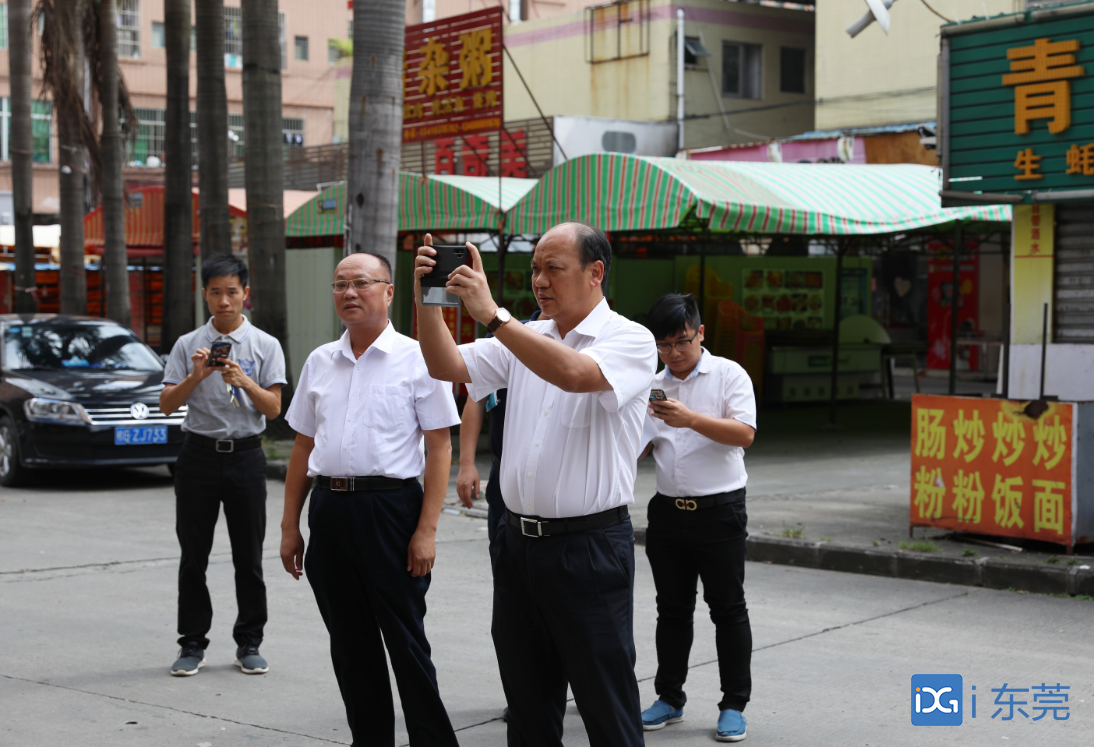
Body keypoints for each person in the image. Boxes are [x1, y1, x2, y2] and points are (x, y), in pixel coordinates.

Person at [415, 223, 656, 747]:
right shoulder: (526, 335)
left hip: (589, 548)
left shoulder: (631, 339)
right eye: (534, 270)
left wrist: (494, 316)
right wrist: (429, 300)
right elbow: (444, 364)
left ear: (595, 274)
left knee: (605, 702)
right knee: (527, 703)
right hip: (519, 545)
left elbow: (574, 374)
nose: (539, 281)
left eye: (553, 269)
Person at [279, 252, 461, 747]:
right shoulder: (320, 361)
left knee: (405, 642)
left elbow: (440, 445)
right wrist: (290, 525)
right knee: (350, 644)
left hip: (391, 511)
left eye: (361, 283)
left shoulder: (421, 356)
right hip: (331, 511)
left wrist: (426, 530)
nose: (349, 293)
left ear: (388, 290)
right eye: (340, 284)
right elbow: (302, 445)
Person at [161, 255, 287, 677]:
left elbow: (273, 410)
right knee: (193, 556)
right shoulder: (187, 344)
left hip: (247, 456)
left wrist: (245, 381)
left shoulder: (265, 345)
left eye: (232, 291)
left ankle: (249, 643)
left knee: (248, 556)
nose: (224, 300)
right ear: (205, 294)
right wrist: (197, 376)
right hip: (197, 455)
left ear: (245, 294)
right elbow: (166, 405)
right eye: (215, 292)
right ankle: (191, 644)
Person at [638, 293, 757, 743]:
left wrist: (689, 419)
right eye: (664, 345)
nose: (674, 353)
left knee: (727, 610)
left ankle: (733, 705)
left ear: (700, 333)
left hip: (719, 511)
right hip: (668, 511)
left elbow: (744, 433)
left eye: (682, 342)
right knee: (671, 610)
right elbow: (642, 442)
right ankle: (669, 698)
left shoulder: (728, 374)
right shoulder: (653, 384)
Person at [456, 309, 542, 544]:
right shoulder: (503, 338)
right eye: (537, 270)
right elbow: (475, 400)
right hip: (503, 470)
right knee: (504, 555)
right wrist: (466, 464)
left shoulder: (589, 342)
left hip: (552, 479)